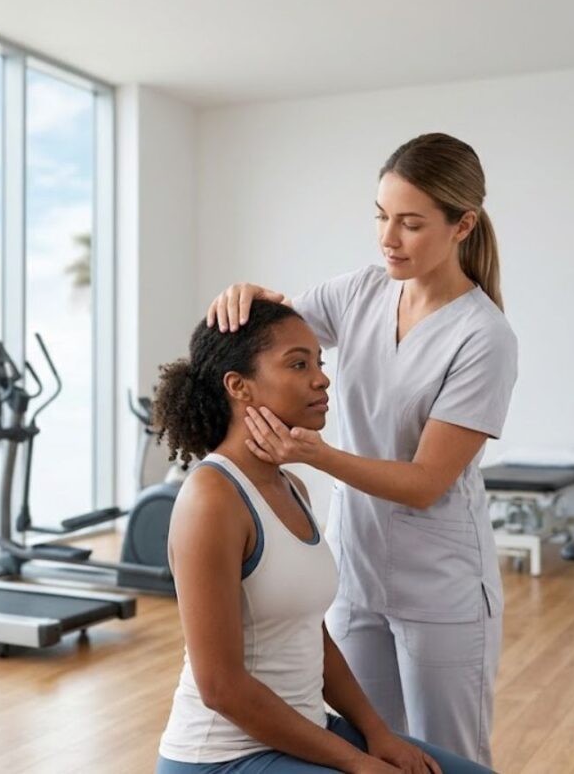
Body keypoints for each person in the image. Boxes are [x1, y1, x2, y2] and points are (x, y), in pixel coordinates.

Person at [205, 133, 517, 766]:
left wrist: (313, 453)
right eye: (381, 217)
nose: (388, 239)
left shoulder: (484, 336)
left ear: (463, 225)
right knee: (375, 749)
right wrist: (241, 299)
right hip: (357, 570)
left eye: (410, 223)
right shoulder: (360, 293)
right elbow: (272, 345)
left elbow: (427, 481)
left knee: (447, 758)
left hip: (443, 588)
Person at [154, 299, 494, 774]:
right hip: (223, 756)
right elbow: (220, 688)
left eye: (320, 362)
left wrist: (377, 734)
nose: (321, 378)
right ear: (239, 386)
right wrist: (356, 763)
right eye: (298, 364)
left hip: (306, 729)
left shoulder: (291, 485)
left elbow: (312, 636)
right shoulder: (211, 499)